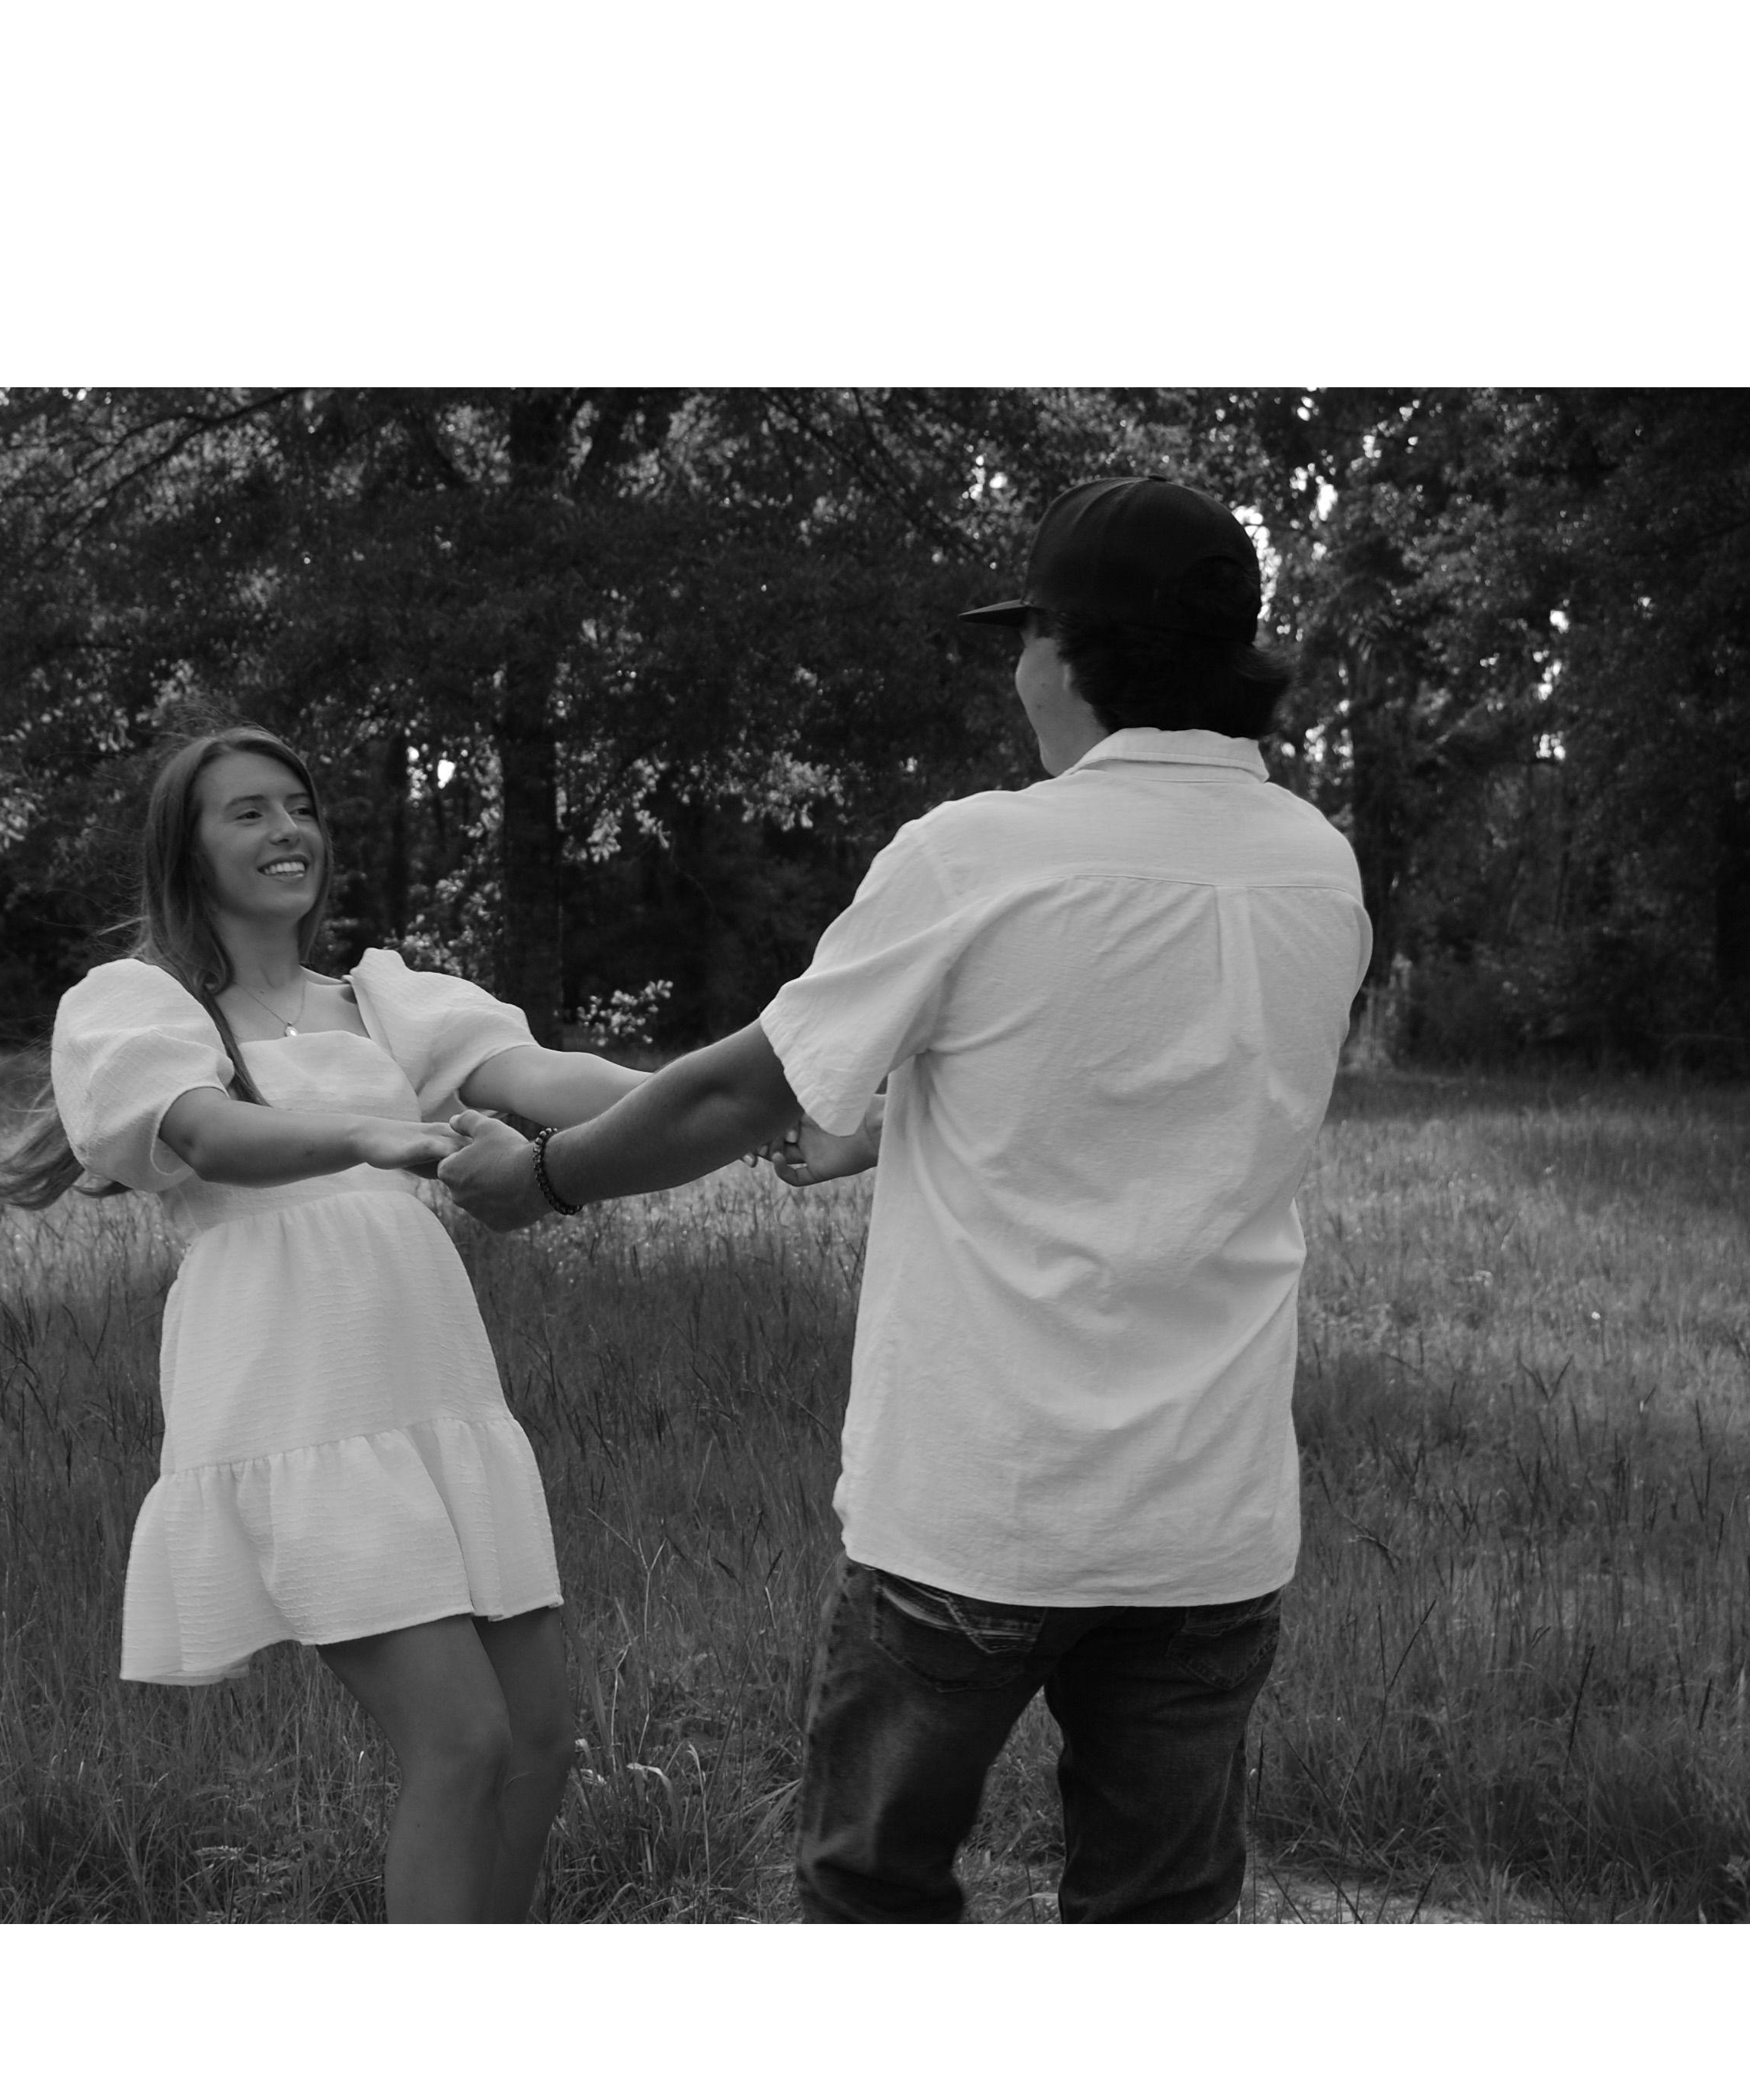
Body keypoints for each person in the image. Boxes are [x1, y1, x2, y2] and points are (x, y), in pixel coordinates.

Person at [440, 477, 1374, 1923]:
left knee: (874, 1892)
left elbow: (736, 1095)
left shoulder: (976, 853)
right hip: (1209, 1516)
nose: (1017, 677)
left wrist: (540, 1177)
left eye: (1024, 641)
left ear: (1067, 652)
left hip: (976, 1509)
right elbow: (1157, 1094)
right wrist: (891, 1133)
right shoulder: (1317, 865)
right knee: (1161, 1917)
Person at [0, 724, 649, 1923]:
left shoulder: (381, 1001)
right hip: (297, 1395)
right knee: (459, 1742)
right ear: (186, 848)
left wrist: (731, 1103)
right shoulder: (140, 1006)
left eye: (297, 807)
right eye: (247, 812)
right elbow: (206, 1134)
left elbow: (547, 1077)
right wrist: (372, 1134)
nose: (286, 830)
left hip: (433, 1392)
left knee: (540, 1742)